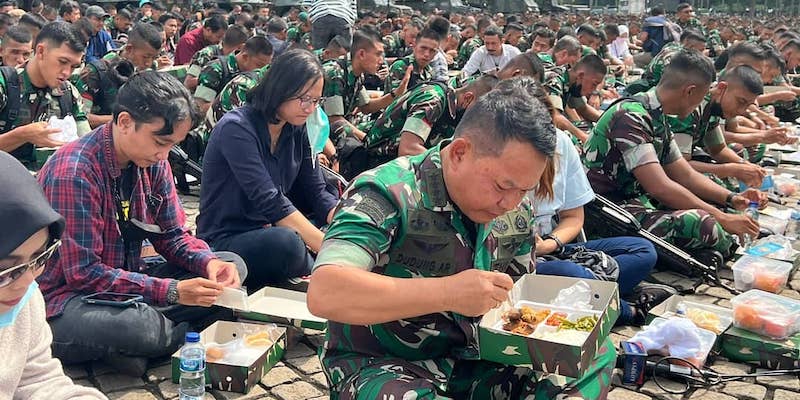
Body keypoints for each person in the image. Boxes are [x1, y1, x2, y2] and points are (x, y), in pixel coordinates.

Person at [308, 76, 616, 399]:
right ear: (459, 153)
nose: (511, 203)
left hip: (480, 362)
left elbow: (517, 306)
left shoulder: (516, 207)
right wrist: (448, 293)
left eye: (524, 190)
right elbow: (326, 291)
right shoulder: (387, 192)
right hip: (392, 365)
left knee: (596, 350)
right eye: (502, 186)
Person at [37, 71, 248, 376]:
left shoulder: (153, 160)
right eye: (160, 142)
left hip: (129, 277)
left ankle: (139, 345)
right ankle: (153, 338)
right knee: (139, 328)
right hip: (67, 296)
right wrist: (173, 292)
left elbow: (173, 236)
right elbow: (83, 274)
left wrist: (209, 264)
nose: (164, 154)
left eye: (171, 144)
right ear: (124, 122)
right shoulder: (75, 172)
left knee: (232, 264)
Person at [583, 49, 762, 260]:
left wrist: (732, 199)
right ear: (689, 91)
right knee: (702, 223)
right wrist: (722, 218)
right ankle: (729, 248)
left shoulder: (658, 118)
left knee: (715, 207)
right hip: (609, 215)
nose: (701, 103)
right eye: (702, 96)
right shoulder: (630, 116)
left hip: (635, 203)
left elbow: (684, 174)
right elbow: (659, 187)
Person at [198, 50, 338, 287]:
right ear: (280, 90)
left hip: (269, 228)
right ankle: (325, 266)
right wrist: (330, 249)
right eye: (304, 99)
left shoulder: (296, 128)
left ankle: (320, 260)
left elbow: (317, 191)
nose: (310, 108)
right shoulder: (237, 128)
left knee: (333, 205)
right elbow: (270, 201)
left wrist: (349, 225)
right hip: (227, 237)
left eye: (316, 101)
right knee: (287, 243)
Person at [0, 151, 107, 399]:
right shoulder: (75, 171)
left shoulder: (25, 299)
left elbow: (37, 380)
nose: (28, 281)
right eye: (6, 270)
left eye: (40, 257)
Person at [0, 21, 90, 169]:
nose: (67, 73)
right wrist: (22, 135)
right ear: (41, 51)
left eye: (74, 67)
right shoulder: (5, 85)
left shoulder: (68, 93)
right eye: (62, 62)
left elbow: (87, 143)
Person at [365, 75, 499, 168]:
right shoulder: (432, 100)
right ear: (468, 99)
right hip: (377, 161)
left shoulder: (456, 112)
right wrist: (454, 166)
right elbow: (408, 149)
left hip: (402, 163)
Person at [322, 27, 412, 142]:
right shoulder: (335, 73)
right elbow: (335, 120)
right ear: (362, 54)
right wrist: (367, 139)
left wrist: (395, 94)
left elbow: (366, 106)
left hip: (343, 128)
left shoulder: (356, 74)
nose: (381, 61)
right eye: (378, 54)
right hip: (325, 138)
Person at [78, 23, 163, 128]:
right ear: (129, 49)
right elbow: (81, 118)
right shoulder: (96, 72)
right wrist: (124, 119)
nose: (148, 63)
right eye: (145, 57)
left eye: (154, 58)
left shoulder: (149, 69)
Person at [194, 35, 273, 114]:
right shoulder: (215, 69)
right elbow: (201, 106)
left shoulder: (257, 77)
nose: (261, 70)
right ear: (245, 57)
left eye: (266, 67)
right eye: (259, 65)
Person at [544, 54, 606, 143]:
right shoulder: (554, 79)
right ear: (581, 75)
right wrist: (583, 137)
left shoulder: (572, 83)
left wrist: (608, 121)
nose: (594, 90)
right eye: (594, 84)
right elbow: (556, 118)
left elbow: (582, 108)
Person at [183, 24, 248, 91]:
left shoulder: (238, 62)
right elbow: (188, 82)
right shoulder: (206, 54)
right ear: (241, 47)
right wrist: (210, 77)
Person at [384, 28, 440, 93]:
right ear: (414, 46)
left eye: (432, 51)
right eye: (423, 48)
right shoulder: (401, 66)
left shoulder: (429, 71)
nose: (427, 54)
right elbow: (394, 99)